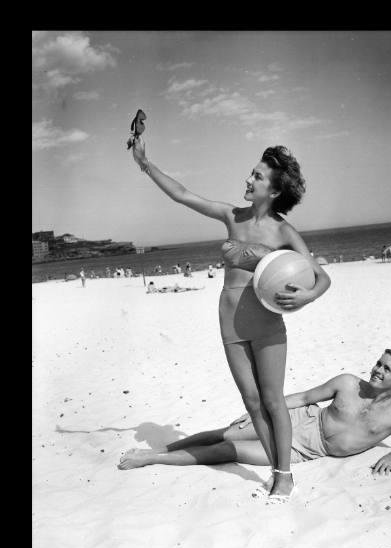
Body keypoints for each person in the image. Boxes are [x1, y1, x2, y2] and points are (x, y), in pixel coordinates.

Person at [131, 137, 331, 501]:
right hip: (230, 324)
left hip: (267, 326)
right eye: (252, 173)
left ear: (273, 189)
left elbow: (322, 278)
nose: (249, 179)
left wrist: (303, 298)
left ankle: (284, 477)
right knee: (252, 402)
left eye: (257, 176)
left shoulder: (284, 231)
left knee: (272, 401)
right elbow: (181, 194)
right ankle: (276, 469)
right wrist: (145, 163)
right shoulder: (231, 215)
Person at [118, 349, 391, 490]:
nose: (377, 370)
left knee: (226, 452)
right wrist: (262, 408)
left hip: (302, 451)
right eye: (378, 363)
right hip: (299, 420)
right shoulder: (347, 383)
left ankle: (151, 459)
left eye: (386, 369)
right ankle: (164, 450)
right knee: (225, 434)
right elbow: (303, 398)